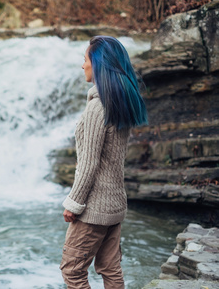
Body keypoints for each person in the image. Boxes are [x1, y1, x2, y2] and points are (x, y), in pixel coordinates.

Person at [60, 36, 148, 289]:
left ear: (98, 65)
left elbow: (89, 163)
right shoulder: (121, 102)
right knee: (110, 269)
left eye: (85, 60)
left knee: (72, 271)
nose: (82, 66)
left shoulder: (98, 107)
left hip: (94, 208)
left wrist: (74, 203)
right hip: (115, 204)